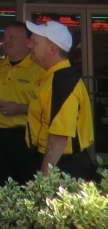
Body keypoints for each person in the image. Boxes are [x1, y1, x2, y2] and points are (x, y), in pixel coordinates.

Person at [25, 20, 97, 180]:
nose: (29, 45)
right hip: (56, 162)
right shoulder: (55, 77)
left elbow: (59, 136)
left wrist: (44, 180)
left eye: (35, 42)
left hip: (63, 166)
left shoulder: (62, 81)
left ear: (52, 49)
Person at [0, 21, 43, 187]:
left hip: (28, 138)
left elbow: (51, 108)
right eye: (5, 37)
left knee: (28, 184)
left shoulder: (40, 69)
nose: (7, 41)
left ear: (28, 43)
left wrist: (21, 109)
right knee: (0, 184)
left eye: (13, 37)